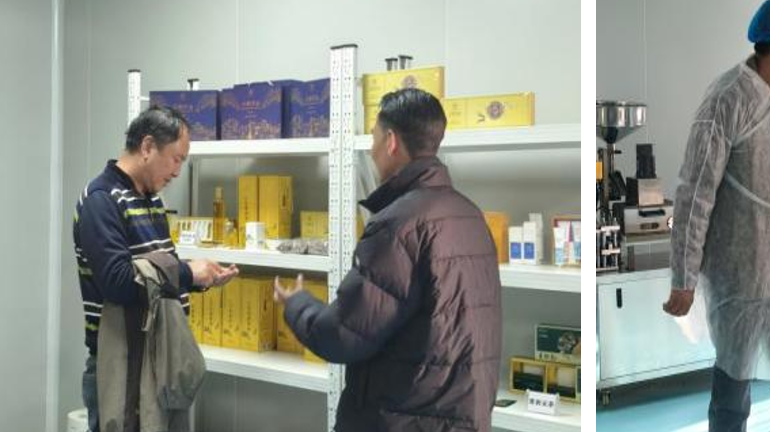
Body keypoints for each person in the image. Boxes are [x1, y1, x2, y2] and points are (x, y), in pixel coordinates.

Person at [273, 88, 503, 432]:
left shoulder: (399, 224)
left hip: (401, 419)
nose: (371, 150)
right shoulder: (470, 215)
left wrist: (297, 305)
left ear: (391, 142)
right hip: (463, 416)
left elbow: (344, 334)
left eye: (374, 138)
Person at [660, 0, 770, 432]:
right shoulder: (727, 100)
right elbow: (695, 192)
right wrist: (684, 276)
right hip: (743, 278)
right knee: (733, 392)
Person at [74, 105, 240, 431]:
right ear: (148, 146)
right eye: (176, 159)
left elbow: (160, 274)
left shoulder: (151, 199)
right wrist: (188, 273)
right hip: (122, 365)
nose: (178, 171)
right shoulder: (101, 200)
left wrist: (201, 278)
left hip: (157, 358)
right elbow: (119, 283)